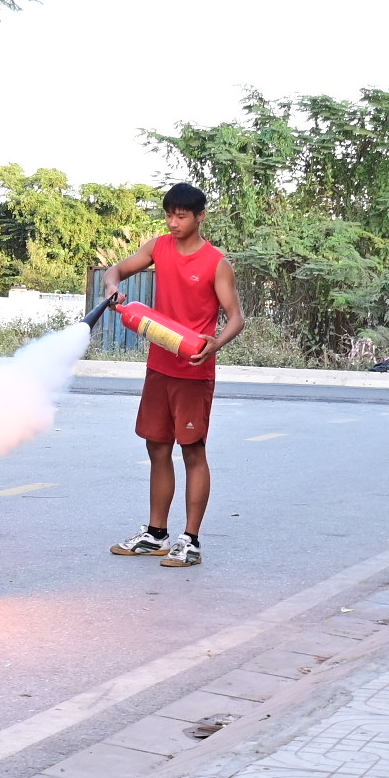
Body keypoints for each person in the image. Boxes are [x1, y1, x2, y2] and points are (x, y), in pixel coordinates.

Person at [100, 183, 244, 568]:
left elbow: (236, 318)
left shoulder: (216, 262)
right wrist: (113, 286)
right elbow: (116, 269)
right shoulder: (159, 247)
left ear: (201, 217)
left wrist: (216, 344)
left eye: (182, 215)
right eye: (169, 215)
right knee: (156, 447)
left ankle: (191, 540)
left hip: (194, 370)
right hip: (158, 366)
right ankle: (156, 534)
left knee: (192, 451)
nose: (174, 222)